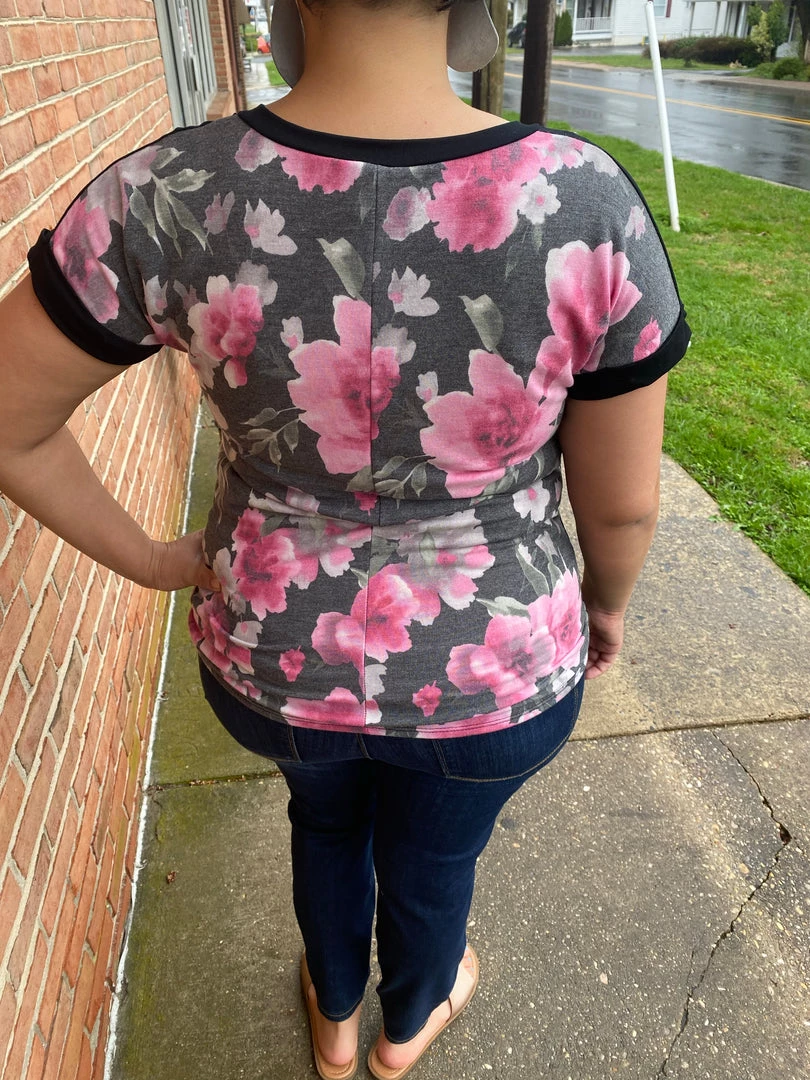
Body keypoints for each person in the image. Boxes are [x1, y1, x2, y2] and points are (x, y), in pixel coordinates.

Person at [0, 0, 690, 1076]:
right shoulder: (584, 200)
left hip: (273, 660)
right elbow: (624, 507)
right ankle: (405, 1026)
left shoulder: (169, 188)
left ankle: (333, 1014)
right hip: (494, 672)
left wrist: (156, 560)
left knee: (323, 822)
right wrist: (604, 603)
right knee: (437, 855)